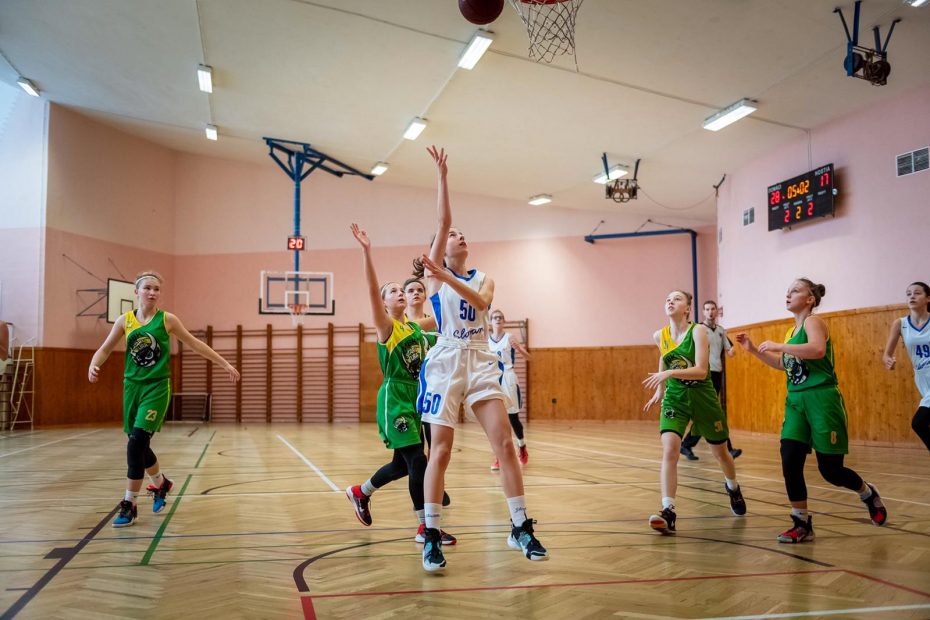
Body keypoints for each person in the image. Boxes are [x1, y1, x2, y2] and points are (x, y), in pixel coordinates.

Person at [414, 145, 548, 572]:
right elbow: (443, 222)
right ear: (440, 251)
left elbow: (482, 303)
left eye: (461, 234)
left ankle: (519, 525)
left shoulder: (483, 278)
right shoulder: (434, 278)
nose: (459, 236)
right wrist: (442, 176)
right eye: (454, 237)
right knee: (441, 451)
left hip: (479, 358)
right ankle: (431, 534)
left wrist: (449, 277)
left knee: (505, 442)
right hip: (446, 360)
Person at [735, 278, 887, 543]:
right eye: (787, 290)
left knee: (831, 471)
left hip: (822, 399)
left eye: (795, 290)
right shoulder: (789, 333)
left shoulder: (813, 322)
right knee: (790, 458)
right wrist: (754, 350)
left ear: (810, 299)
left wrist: (779, 346)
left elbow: (816, 350)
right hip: (795, 401)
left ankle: (867, 493)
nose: (788, 293)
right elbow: (784, 365)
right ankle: (801, 522)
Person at [88, 271, 239, 528]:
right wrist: (93, 364)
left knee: (136, 445)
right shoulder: (125, 321)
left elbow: (195, 344)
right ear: (136, 292)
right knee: (138, 443)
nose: (152, 292)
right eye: (147, 288)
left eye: (156, 289)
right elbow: (105, 349)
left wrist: (224, 363)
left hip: (156, 388)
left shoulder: (167, 320)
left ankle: (130, 504)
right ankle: (162, 484)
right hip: (131, 388)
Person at [343, 224, 456, 546]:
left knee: (402, 464)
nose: (399, 293)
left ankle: (360, 492)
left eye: (400, 290)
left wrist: (445, 272)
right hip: (395, 398)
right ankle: (425, 527)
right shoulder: (387, 327)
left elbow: (445, 312)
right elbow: (371, 290)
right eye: (392, 291)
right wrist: (367, 252)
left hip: (416, 397)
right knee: (417, 460)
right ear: (384, 303)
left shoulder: (416, 328)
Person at [643, 290, 747, 534]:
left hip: (702, 396)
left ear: (688, 308)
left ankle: (733, 487)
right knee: (670, 450)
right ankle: (668, 511)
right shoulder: (660, 335)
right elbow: (665, 358)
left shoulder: (698, 331)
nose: (670, 301)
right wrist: (660, 389)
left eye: (677, 298)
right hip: (676, 397)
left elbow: (701, 370)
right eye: (667, 298)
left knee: (721, 453)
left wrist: (669, 373)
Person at [404, 276, 452, 507]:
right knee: (415, 455)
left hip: (433, 390)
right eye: (410, 290)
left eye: (419, 290)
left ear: (425, 295)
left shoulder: (436, 325)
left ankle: (435, 486)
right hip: (409, 392)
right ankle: (422, 499)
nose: (415, 293)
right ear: (404, 296)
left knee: (437, 447)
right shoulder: (399, 325)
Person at [680, 300, 742, 461]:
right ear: (703, 312)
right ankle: (728, 449)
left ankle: (686, 444)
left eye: (713, 309)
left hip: (717, 373)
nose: (710, 312)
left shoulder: (721, 331)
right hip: (703, 374)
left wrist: (733, 350)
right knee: (713, 411)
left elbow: (729, 349)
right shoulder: (698, 329)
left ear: (717, 311)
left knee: (708, 413)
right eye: (707, 309)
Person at [882, 281, 930, 452]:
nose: (912, 296)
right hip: (922, 379)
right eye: (909, 294)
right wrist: (888, 361)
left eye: (917, 293)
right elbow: (886, 355)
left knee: (919, 423)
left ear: (928, 298)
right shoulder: (900, 323)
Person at [487, 309, 531, 470]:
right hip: (493, 378)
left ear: (504, 321)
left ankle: (522, 446)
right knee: (496, 420)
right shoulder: (486, 340)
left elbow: (529, 357)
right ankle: (500, 455)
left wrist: (519, 348)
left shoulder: (510, 338)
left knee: (513, 418)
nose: (498, 319)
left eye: (500, 317)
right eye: (495, 317)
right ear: (491, 322)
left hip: (508, 377)